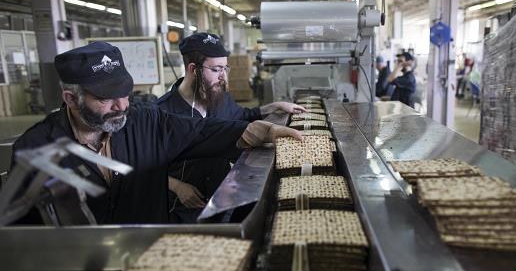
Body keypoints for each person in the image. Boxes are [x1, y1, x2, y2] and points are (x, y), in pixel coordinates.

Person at [10, 41, 301, 225]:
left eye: (125, 93)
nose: (121, 106)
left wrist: (262, 130)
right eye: (104, 98)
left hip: (153, 250)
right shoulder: (36, 149)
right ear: (71, 99)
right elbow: (22, 230)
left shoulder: (144, 121)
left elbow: (202, 131)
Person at [156, 32, 307, 222]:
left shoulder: (218, 97)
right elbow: (142, 166)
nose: (223, 78)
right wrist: (177, 186)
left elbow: (240, 117)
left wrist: (274, 106)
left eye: (225, 69)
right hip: (181, 209)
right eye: (216, 70)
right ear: (193, 69)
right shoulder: (162, 112)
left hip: (219, 198)